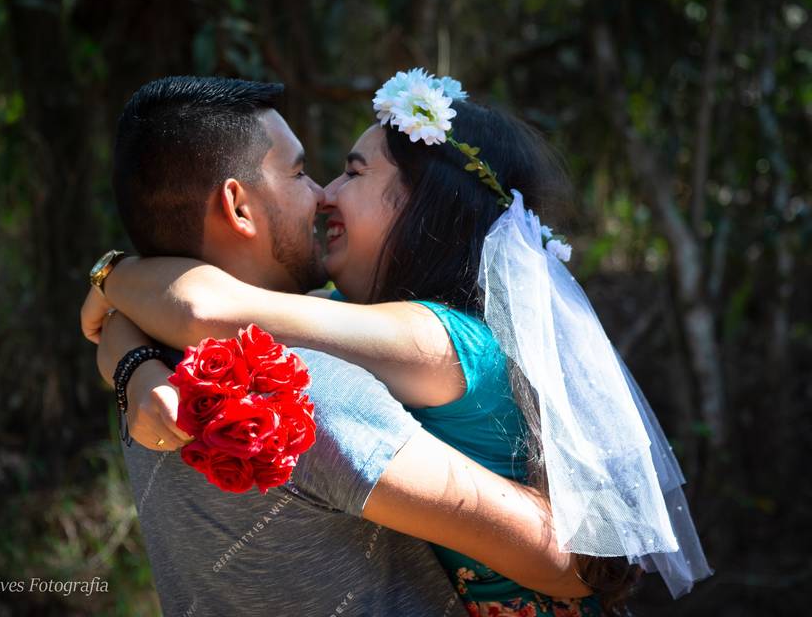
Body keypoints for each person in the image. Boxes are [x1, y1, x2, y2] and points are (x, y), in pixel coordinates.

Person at [83, 70, 711, 615]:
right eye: (302, 172)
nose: (324, 193)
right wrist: (127, 336)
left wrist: (115, 287)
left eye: (348, 173)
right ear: (239, 209)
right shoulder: (287, 360)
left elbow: (201, 306)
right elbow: (193, 310)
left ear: (420, 207)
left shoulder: (412, 341)